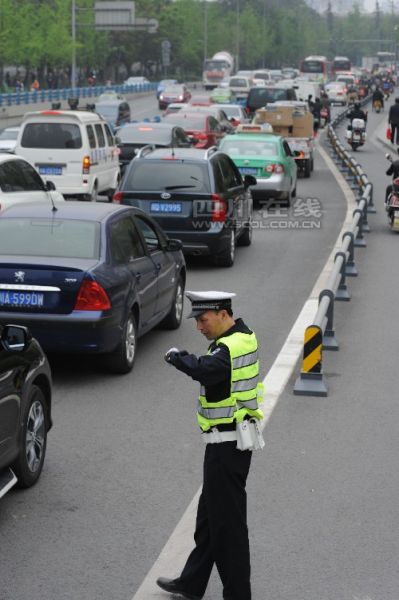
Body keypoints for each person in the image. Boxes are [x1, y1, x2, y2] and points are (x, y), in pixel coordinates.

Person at [157, 290, 264, 600]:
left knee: (228, 527)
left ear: (223, 314)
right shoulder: (243, 336)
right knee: (209, 521)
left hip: (226, 447)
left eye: (203, 320)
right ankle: (191, 584)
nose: (199, 327)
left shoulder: (229, 348)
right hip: (228, 444)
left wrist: (176, 356)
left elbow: (204, 369)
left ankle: (238, 595)